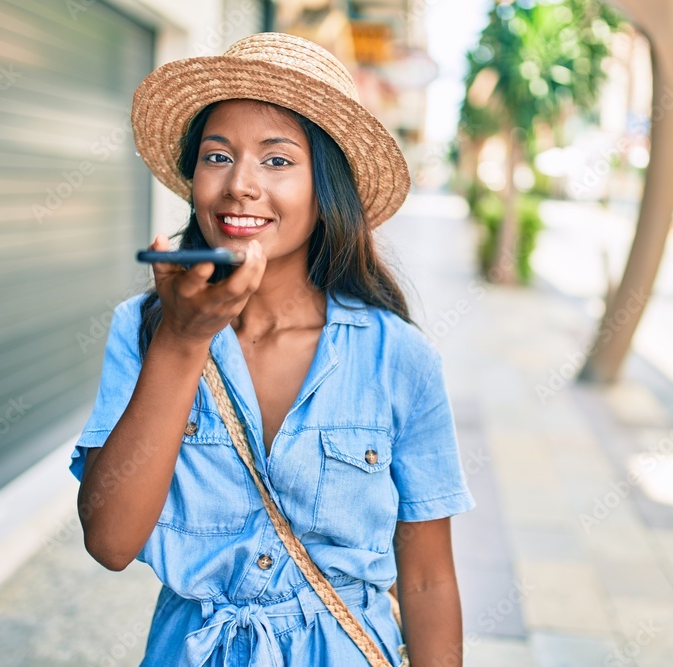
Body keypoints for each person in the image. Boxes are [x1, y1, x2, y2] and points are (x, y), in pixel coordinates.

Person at [68, 32, 476, 666]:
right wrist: (182, 340)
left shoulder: (398, 357)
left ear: (327, 188)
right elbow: (111, 540)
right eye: (217, 155)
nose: (240, 185)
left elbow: (426, 580)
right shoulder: (144, 328)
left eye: (278, 161)